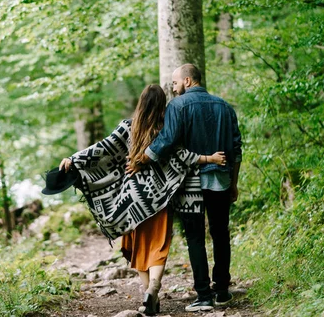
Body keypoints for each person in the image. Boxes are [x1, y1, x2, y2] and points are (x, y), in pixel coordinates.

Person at [57, 84, 226, 315]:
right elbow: (183, 157)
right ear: (161, 105)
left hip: (132, 200)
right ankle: (153, 288)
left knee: (138, 247)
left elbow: (102, 148)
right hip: (159, 200)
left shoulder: (128, 127)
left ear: (140, 103)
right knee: (158, 246)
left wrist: (74, 159)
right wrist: (210, 158)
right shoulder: (166, 131)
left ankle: (149, 296)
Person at [127, 64, 242, 312]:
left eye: (175, 82)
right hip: (220, 179)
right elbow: (236, 149)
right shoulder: (224, 106)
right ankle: (222, 290)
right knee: (221, 233)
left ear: (188, 81)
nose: (173, 87)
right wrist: (234, 183)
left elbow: (167, 141)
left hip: (190, 182)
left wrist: (141, 159)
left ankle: (203, 295)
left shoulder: (177, 107)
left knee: (195, 237)